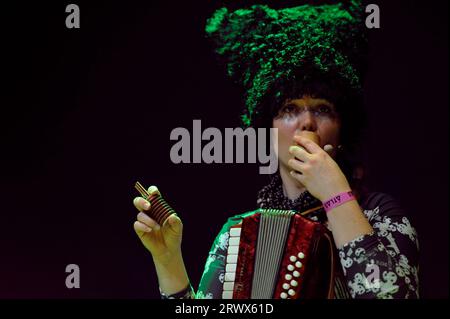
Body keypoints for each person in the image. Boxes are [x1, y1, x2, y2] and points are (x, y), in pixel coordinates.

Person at [132, 1, 419, 299]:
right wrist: (168, 261)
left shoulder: (379, 215)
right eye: (289, 108)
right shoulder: (238, 235)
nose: (307, 121)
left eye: (323, 108)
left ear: (343, 128)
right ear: (266, 130)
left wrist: (335, 193)